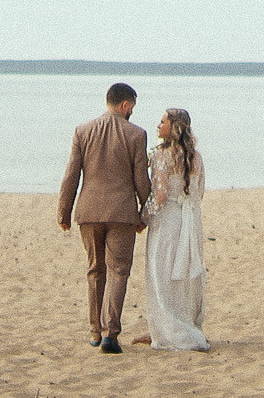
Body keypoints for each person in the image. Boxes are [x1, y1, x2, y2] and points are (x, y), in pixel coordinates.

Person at [57, 81, 150, 354]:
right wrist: (146, 211)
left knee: (95, 270)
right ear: (126, 105)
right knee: (119, 271)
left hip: (88, 211)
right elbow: (140, 179)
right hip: (121, 212)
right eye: (132, 106)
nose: (132, 110)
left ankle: (94, 331)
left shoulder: (82, 131)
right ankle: (112, 333)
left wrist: (64, 212)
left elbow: (71, 175)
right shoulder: (136, 134)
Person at [133, 107, 209, 351]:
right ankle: (180, 324)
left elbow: (161, 194)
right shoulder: (195, 156)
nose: (158, 125)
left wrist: (142, 219)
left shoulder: (161, 156)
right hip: (190, 219)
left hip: (168, 221)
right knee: (186, 276)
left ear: (173, 127)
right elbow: (199, 192)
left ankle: (168, 329)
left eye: (163, 121)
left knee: (161, 274)